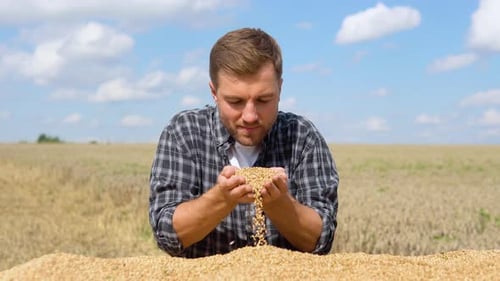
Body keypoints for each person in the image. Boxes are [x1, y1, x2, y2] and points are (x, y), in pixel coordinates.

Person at [149, 27, 339, 258]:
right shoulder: (185, 133)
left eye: (263, 99)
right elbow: (167, 233)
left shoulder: (302, 138)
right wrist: (221, 199)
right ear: (214, 92)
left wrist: (279, 203)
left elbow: (320, 241)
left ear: (280, 88)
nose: (250, 115)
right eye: (235, 101)